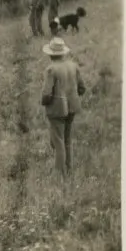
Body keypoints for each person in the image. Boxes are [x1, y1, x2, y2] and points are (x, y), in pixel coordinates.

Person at [40, 37, 86, 178]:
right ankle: (69, 169)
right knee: (67, 140)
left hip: (57, 110)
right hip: (72, 107)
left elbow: (46, 94)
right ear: (63, 53)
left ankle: (60, 174)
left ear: (50, 54)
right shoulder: (73, 66)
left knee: (58, 141)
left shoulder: (51, 69)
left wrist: (45, 102)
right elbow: (82, 88)